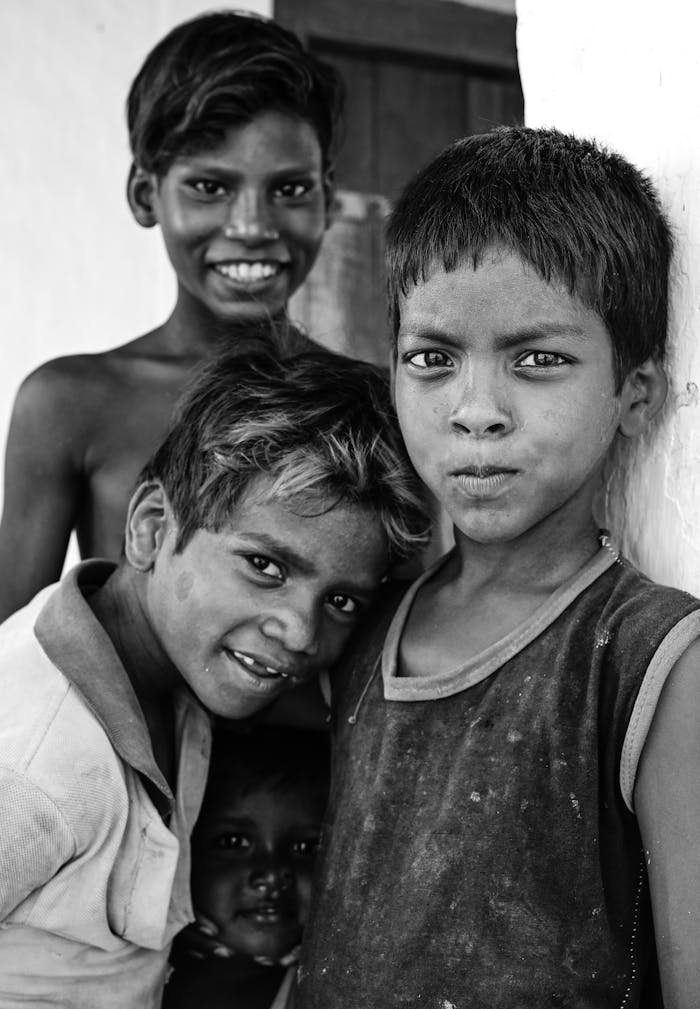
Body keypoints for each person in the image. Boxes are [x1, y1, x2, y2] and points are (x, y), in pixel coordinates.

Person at [295, 128, 700, 1008]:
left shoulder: (652, 659)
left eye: (538, 360)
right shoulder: (363, 624)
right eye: (432, 359)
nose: (476, 411)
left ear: (636, 395)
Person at [0, 348, 429, 1008]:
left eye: (342, 601)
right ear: (149, 528)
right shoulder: (31, 766)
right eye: (265, 565)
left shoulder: (179, 677)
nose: (301, 631)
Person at [0, 10, 345, 621]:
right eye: (209, 187)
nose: (252, 227)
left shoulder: (367, 408)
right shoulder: (71, 403)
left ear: (329, 198)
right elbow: (12, 652)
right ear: (144, 195)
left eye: (289, 190)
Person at [163, 726, 329, 1009]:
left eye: (306, 848)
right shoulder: (126, 973)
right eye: (233, 841)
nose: (273, 874)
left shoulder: (335, 988)